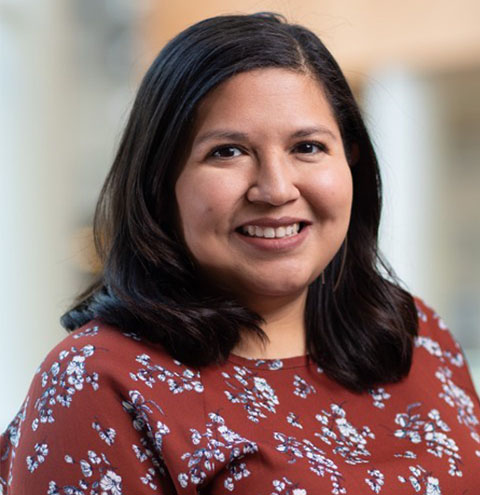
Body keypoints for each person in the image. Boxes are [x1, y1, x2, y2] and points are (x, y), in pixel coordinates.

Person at [1, 12, 479, 494]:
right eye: (228, 152)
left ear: (351, 159)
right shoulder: (97, 382)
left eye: (308, 147)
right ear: (160, 183)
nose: (275, 189)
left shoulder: (416, 335)